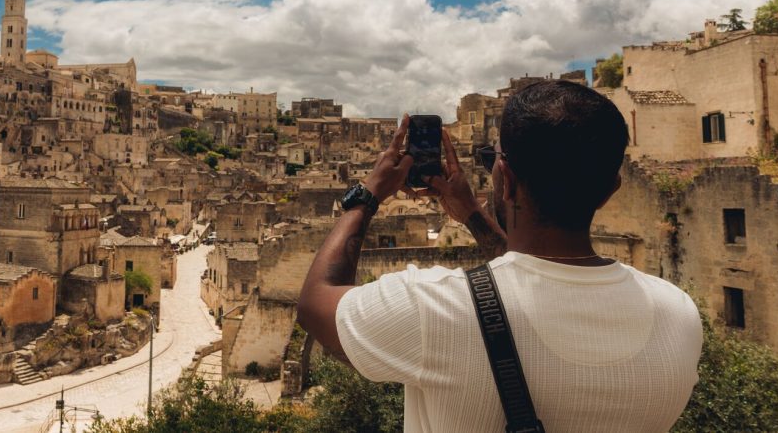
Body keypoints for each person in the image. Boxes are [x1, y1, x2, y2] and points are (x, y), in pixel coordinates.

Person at [297, 80, 702, 432]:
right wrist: (471, 215)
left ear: (506, 181)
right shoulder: (679, 314)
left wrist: (365, 197)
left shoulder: (436, 309)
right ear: (610, 189)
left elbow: (316, 302)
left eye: (495, 160)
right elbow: (533, 276)